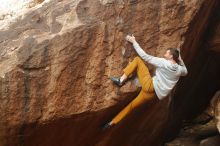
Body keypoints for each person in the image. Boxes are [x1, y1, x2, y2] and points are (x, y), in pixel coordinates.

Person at [102, 34, 188, 130]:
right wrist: (180, 60)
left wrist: (134, 42)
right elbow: (186, 72)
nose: (165, 54)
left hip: (149, 86)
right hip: (153, 94)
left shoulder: (164, 62)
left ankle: (121, 80)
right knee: (131, 106)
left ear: (171, 56)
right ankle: (112, 122)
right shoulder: (180, 70)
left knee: (138, 60)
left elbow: (145, 56)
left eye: (167, 53)